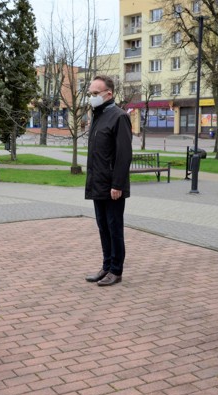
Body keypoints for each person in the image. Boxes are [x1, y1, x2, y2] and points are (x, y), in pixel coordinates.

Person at [84, 75, 132, 287]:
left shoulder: (119, 116)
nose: (92, 97)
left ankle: (116, 270)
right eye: (90, 94)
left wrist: (117, 184)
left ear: (108, 94)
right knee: (103, 227)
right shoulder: (97, 115)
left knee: (114, 228)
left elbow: (124, 155)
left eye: (95, 94)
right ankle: (106, 266)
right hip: (98, 183)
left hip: (112, 186)